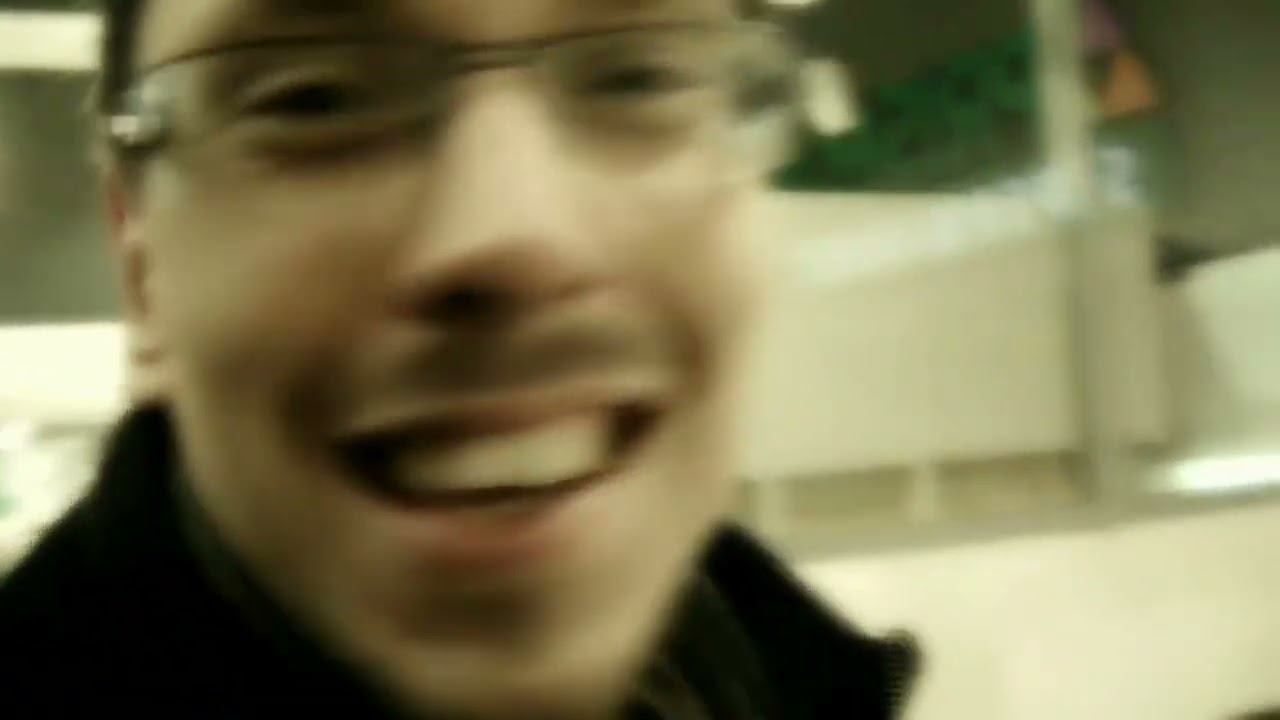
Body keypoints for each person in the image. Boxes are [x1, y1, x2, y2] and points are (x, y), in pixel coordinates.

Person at [0, 0, 918, 717]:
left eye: (638, 79)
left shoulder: (773, 669)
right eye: (315, 99)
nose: (514, 235)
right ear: (142, 266)